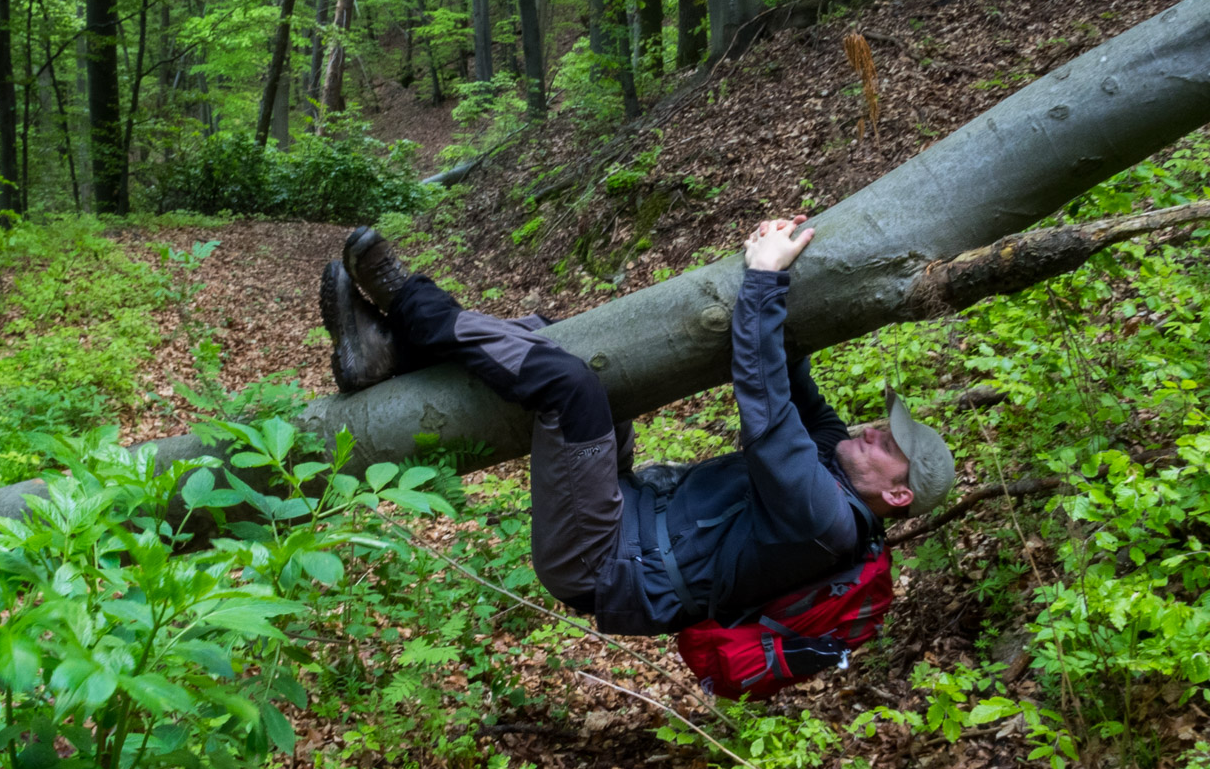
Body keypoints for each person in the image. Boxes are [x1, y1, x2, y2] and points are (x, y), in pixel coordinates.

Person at [320, 217, 955, 640]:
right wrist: (785, 258)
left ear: (896, 495)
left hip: (600, 562)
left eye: (891, 446)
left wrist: (764, 279)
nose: (875, 430)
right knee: (565, 345)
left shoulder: (824, 519)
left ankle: (408, 304)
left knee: (572, 391)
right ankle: (388, 358)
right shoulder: (834, 462)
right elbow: (792, 378)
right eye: (885, 425)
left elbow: (765, 400)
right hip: (628, 512)